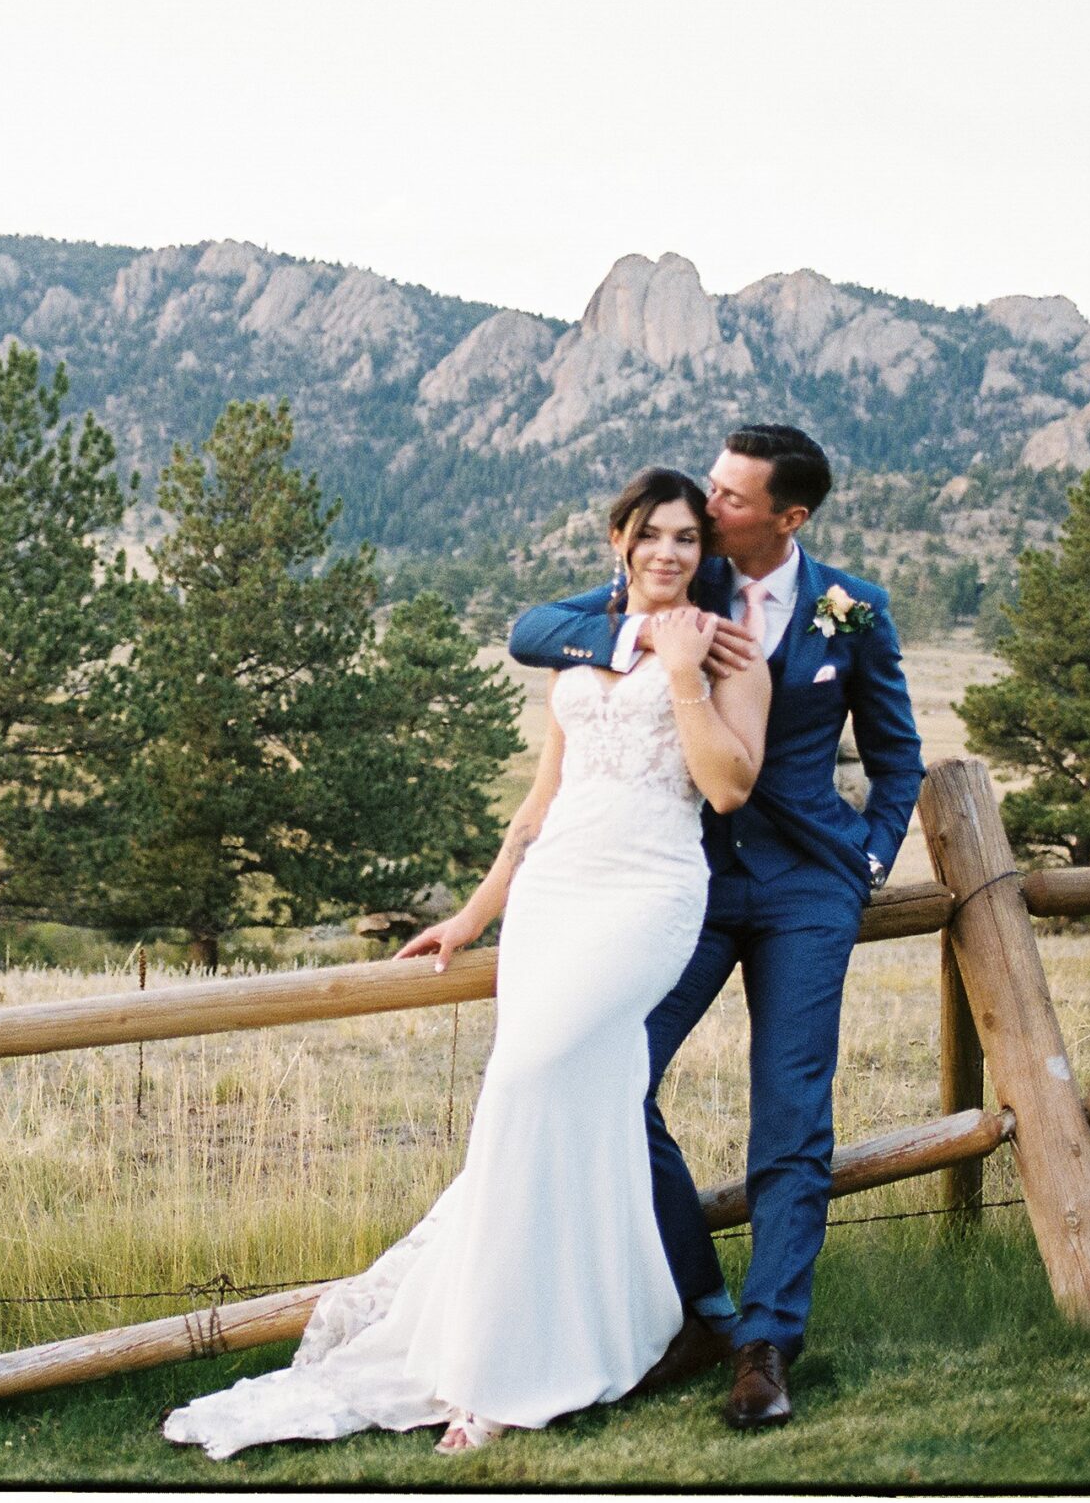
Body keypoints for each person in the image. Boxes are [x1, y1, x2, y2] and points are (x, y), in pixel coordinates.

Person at [161, 468, 771, 1459]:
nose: (670, 552)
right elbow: (540, 803)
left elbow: (727, 788)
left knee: (531, 1084)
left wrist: (683, 671)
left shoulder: (729, 652)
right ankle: (612, 1322)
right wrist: (473, 914)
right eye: (651, 534)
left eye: (688, 539)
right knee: (564, 1105)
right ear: (618, 539)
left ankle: (502, 1372)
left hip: (647, 894)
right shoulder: (579, 648)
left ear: (705, 553)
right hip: (553, 895)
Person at [506, 423, 925, 1430]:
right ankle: (702, 1306)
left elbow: (897, 755)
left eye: (733, 500)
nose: (710, 507)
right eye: (711, 493)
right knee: (613, 1075)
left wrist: (867, 863)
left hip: (806, 893)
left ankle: (767, 1343)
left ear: (790, 517)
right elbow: (530, 629)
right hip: (687, 883)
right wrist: (642, 636)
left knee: (790, 1116)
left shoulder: (850, 609)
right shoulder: (668, 593)